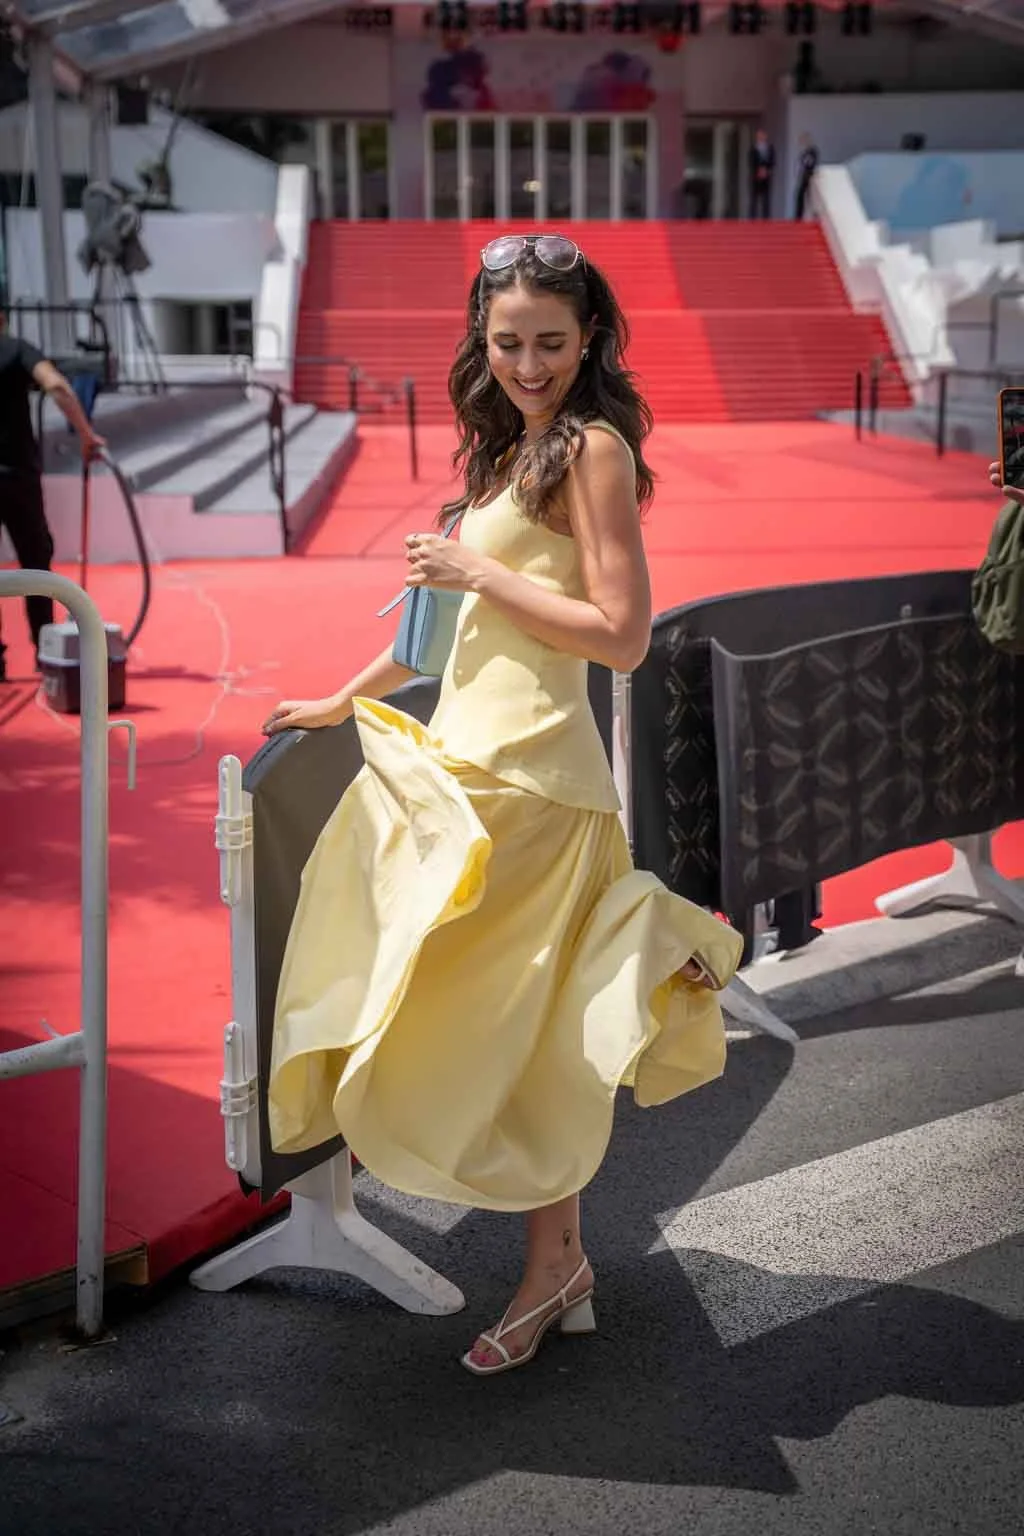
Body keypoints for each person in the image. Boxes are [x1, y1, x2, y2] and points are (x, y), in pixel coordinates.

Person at [261, 233, 743, 1377]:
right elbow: (444, 633)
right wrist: (341, 698)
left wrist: (480, 569)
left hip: (537, 783)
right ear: (482, 341)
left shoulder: (594, 451)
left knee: (505, 1027)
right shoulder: (503, 454)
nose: (529, 363)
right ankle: (559, 1261)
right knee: (497, 1023)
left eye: (552, 343)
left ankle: (551, 1266)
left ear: (590, 343)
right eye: (508, 341)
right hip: (471, 764)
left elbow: (621, 637)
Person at [0, 312, 105, 682]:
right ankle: (45, 652)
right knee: (35, 562)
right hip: (16, 475)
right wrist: (86, 434)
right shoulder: (15, 349)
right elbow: (56, 386)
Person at [748, 128, 775, 219]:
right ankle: (752, 218)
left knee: (766, 197)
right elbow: (751, 162)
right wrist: (758, 170)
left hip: (766, 176)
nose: (761, 137)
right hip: (756, 176)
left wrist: (767, 170)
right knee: (754, 197)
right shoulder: (753, 148)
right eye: (759, 136)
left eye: (762, 135)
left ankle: (766, 218)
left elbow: (773, 161)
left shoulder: (770, 148)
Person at [793, 132, 819, 221]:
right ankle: (798, 216)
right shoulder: (803, 153)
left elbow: (809, 164)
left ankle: (810, 216)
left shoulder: (812, 151)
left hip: (809, 178)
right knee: (800, 197)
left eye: (803, 140)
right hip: (803, 177)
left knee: (810, 198)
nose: (801, 143)